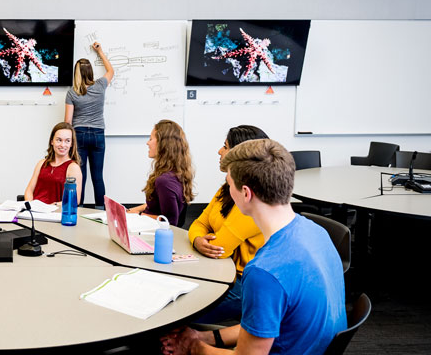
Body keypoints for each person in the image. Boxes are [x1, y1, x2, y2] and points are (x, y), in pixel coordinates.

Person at [162, 139, 346, 355]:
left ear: (246, 194)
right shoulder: (316, 232)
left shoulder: (264, 272)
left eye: (229, 184)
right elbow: (269, 322)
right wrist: (205, 338)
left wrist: (194, 346)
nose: (227, 190)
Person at [188, 125, 269, 323]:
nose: (219, 151)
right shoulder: (228, 188)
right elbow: (199, 222)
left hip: (244, 284)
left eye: (225, 146)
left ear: (239, 153)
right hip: (224, 269)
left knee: (183, 313)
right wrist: (198, 239)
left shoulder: (254, 198)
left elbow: (218, 248)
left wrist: (202, 240)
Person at [65, 42, 114, 209]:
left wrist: (66, 142)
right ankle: (101, 211)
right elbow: (111, 71)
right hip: (98, 134)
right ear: (90, 72)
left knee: (81, 176)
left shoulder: (72, 92)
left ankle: (79, 209)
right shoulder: (100, 85)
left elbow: (67, 122)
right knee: (98, 176)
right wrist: (100, 51)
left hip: (79, 135)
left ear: (76, 73)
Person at [127, 120, 194, 225]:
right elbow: (154, 206)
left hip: (152, 230)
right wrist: (129, 211)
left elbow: (170, 221)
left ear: (163, 144)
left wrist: (138, 215)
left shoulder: (164, 181)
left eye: (151, 139)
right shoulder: (174, 173)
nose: (147, 143)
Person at [24, 122, 83, 205]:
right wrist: (30, 205)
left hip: (56, 213)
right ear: (52, 141)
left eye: (67, 141)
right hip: (35, 212)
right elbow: (29, 190)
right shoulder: (41, 163)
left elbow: (75, 200)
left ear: (71, 144)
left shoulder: (73, 167)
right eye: (59, 140)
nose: (63, 145)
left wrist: (54, 205)